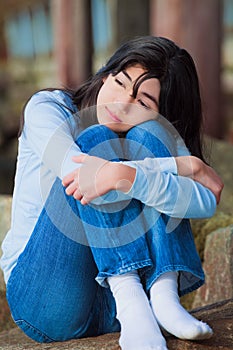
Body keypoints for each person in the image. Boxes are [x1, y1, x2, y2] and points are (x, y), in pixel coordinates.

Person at [0, 36, 223, 350]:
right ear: (105, 74)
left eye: (144, 103)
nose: (122, 103)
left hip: (113, 307)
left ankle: (164, 297)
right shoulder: (48, 108)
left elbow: (205, 201)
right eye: (120, 83)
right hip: (46, 296)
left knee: (151, 133)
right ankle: (131, 301)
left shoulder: (150, 135)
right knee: (97, 139)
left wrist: (129, 174)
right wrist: (182, 166)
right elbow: (79, 176)